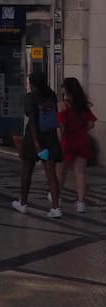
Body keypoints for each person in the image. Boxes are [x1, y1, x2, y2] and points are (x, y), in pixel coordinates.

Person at [14, 71, 63, 217]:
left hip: (34, 139)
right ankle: (55, 208)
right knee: (51, 174)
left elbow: (33, 121)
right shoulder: (52, 95)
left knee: (26, 170)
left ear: (33, 83)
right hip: (50, 137)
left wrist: (36, 143)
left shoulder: (30, 98)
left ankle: (23, 203)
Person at [58, 77, 96, 214]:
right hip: (82, 140)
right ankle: (80, 203)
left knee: (61, 171)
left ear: (67, 90)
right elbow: (91, 123)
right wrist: (82, 129)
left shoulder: (63, 105)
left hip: (68, 140)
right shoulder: (82, 104)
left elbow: (61, 126)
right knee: (80, 172)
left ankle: (57, 197)